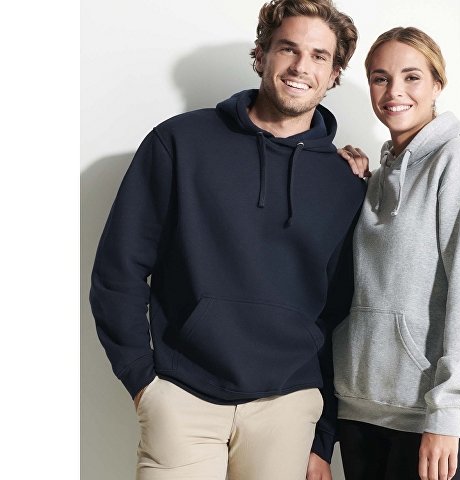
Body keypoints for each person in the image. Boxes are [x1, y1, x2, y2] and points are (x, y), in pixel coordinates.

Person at [89, 1, 365, 479]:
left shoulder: (344, 182)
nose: (301, 66)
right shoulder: (180, 143)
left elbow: (340, 313)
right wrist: (142, 382)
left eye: (319, 56)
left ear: (334, 73)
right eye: (288, 48)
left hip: (288, 407)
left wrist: (323, 437)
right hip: (182, 396)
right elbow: (120, 268)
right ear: (261, 54)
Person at [333, 27, 460, 480]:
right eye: (380, 78)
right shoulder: (381, 176)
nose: (394, 91)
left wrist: (448, 412)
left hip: (428, 419)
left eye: (411, 77)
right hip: (360, 410)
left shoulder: (458, 163)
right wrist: (358, 187)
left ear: (437, 85)